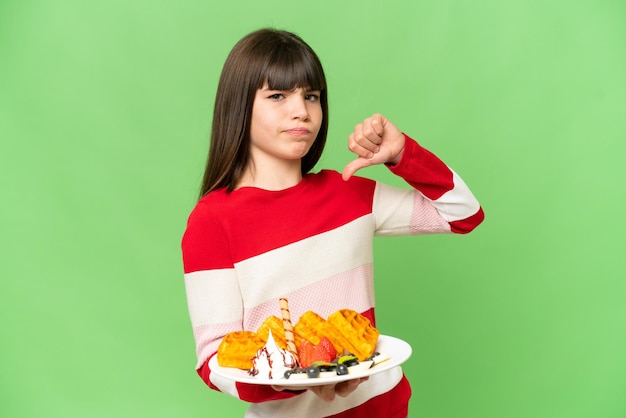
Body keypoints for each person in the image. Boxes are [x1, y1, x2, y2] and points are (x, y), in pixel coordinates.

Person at [181, 28, 484, 418]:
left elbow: (463, 214)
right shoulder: (212, 221)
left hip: (384, 407)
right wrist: (288, 378)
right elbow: (212, 361)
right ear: (239, 106)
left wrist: (403, 154)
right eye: (277, 96)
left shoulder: (348, 193)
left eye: (312, 96)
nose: (301, 111)